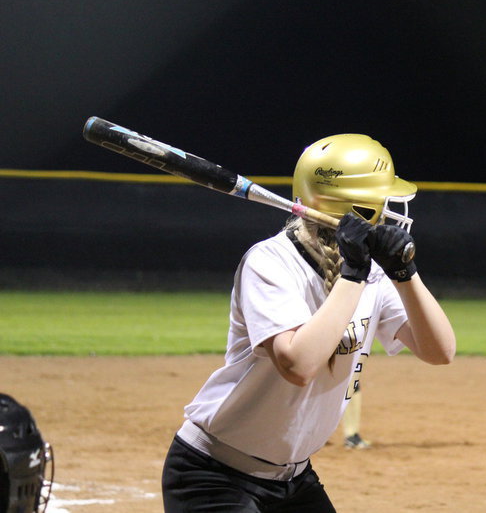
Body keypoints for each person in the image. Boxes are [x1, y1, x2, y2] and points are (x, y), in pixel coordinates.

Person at [161, 133, 456, 512]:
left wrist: (404, 272)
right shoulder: (270, 263)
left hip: (294, 480)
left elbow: (440, 350)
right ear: (356, 209)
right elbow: (298, 365)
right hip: (214, 476)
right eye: (379, 201)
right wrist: (353, 275)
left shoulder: (375, 275)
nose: (388, 210)